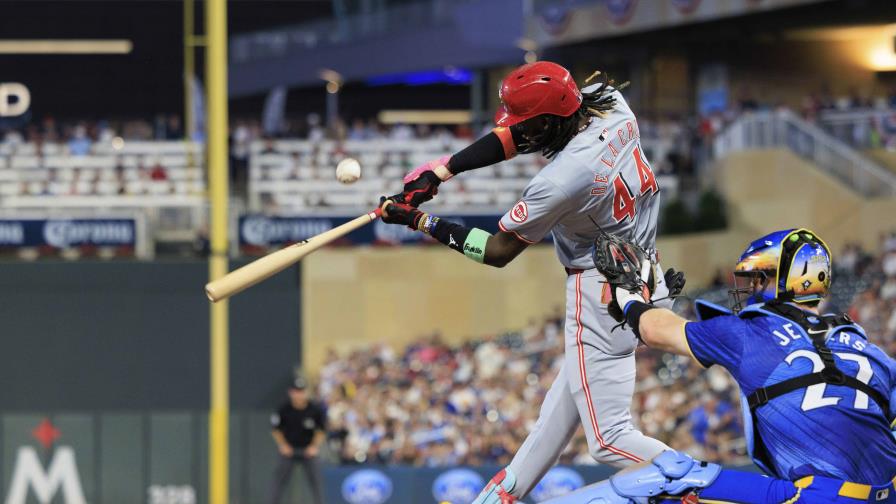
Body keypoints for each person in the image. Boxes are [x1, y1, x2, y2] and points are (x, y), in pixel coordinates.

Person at [378, 61, 684, 503]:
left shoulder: (561, 180)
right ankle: (502, 495)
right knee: (556, 417)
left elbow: (497, 252)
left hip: (600, 289)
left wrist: (418, 219)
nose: (521, 134)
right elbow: (522, 134)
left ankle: (701, 484)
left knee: (608, 437)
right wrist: (444, 170)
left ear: (550, 119)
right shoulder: (610, 103)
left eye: (528, 125)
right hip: (642, 270)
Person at [547, 228, 896, 503]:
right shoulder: (871, 351)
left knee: (665, 475)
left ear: (784, 281)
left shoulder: (750, 333)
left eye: (759, 279)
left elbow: (654, 329)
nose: (751, 287)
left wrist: (630, 298)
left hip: (816, 497)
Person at [268, 377, 326, 504]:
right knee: (278, 482)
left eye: (301, 391)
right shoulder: (284, 409)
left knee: (316, 482)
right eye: (296, 391)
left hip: (308, 450)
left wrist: (314, 446)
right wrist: (283, 445)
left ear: (305, 392)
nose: (298, 394)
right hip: (289, 450)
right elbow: (276, 429)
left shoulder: (314, 409)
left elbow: (321, 430)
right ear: (290, 392)